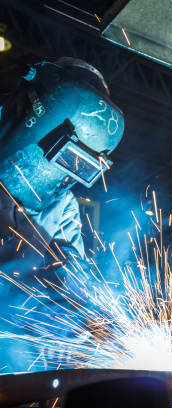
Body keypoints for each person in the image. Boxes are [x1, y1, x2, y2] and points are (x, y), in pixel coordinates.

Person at [0, 58, 124, 372]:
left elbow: (74, 277)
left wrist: (90, 319)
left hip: (18, 364)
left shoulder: (61, 203)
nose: (59, 172)